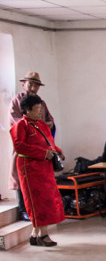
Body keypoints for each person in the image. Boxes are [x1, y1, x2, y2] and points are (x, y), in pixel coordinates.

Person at [10, 94, 65, 247]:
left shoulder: (41, 125)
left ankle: (35, 234)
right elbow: (19, 146)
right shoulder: (20, 126)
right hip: (30, 170)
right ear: (27, 109)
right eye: (37, 109)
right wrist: (42, 153)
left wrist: (57, 151)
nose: (40, 112)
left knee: (47, 199)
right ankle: (43, 235)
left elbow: (49, 142)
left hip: (45, 168)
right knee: (37, 201)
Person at [8, 72, 55, 221]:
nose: (33, 87)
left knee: (38, 180)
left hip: (40, 149)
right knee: (20, 178)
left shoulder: (41, 103)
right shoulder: (16, 101)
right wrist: (33, 127)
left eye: (36, 85)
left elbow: (50, 121)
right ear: (23, 84)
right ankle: (23, 210)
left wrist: (42, 127)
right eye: (30, 84)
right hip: (24, 147)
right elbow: (15, 122)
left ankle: (37, 210)